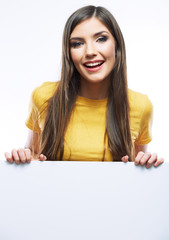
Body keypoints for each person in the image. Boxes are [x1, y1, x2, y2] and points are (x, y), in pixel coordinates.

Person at [5, 5, 163, 168]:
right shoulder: (44, 97)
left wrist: (148, 163)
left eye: (101, 39)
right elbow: (33, 154)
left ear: (117, 45)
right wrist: (23, 157)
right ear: (69, 52)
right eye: (77, 43)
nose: (90, 52)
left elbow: (136, 173)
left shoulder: (140, 106)